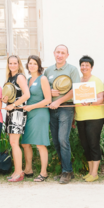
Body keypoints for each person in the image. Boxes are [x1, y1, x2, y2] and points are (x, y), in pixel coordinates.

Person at [44, 44, 80, 184]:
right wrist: (49, 92)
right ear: (54, 53)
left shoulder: (72, 70)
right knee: (56, 141)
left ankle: (66, 171)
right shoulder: (48, 71)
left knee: (63, 139)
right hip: (51, 109)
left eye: (63, 53)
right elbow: (44, 88)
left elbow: (75, 90)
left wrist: (58, 101)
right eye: (58, 52)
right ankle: (66, 170)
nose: (60, 55)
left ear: (67, 55)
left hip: (66, 107)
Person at [74, 55, 104, 182]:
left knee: (93, 143)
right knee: (85, 144)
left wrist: (91, 102)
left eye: (87, 65)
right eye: (82, 65)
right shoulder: (78, 81)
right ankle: (90, 171)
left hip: (95, 117)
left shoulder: (96, 81)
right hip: (80, 117)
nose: (84, 67)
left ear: (91, 67)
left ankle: (94, 173)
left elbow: (101, 98)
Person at [22, 55, 52, 182]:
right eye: (30, 63)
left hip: (40, 113)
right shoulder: (28, 79)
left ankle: (43, 172)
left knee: (40, 144)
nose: (32, 65)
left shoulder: (43, 78)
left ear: (39, 65)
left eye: (34, 63)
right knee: (25, 143)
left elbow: (48, 100)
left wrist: (31, 107)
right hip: (29, 114)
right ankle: (28, 170)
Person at [3, 55, 30, 182]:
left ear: (19, 64)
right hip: (11, 112)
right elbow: (13, 95)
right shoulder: (9, 78)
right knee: (13, 143)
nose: (12, 65)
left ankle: (19, 172)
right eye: (10, 63)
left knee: (15, 143)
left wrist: (13, 105)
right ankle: (16, 170)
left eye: (15, 63)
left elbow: (27, 95)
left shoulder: (20, 77)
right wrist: (6, 100)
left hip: (18, 112)